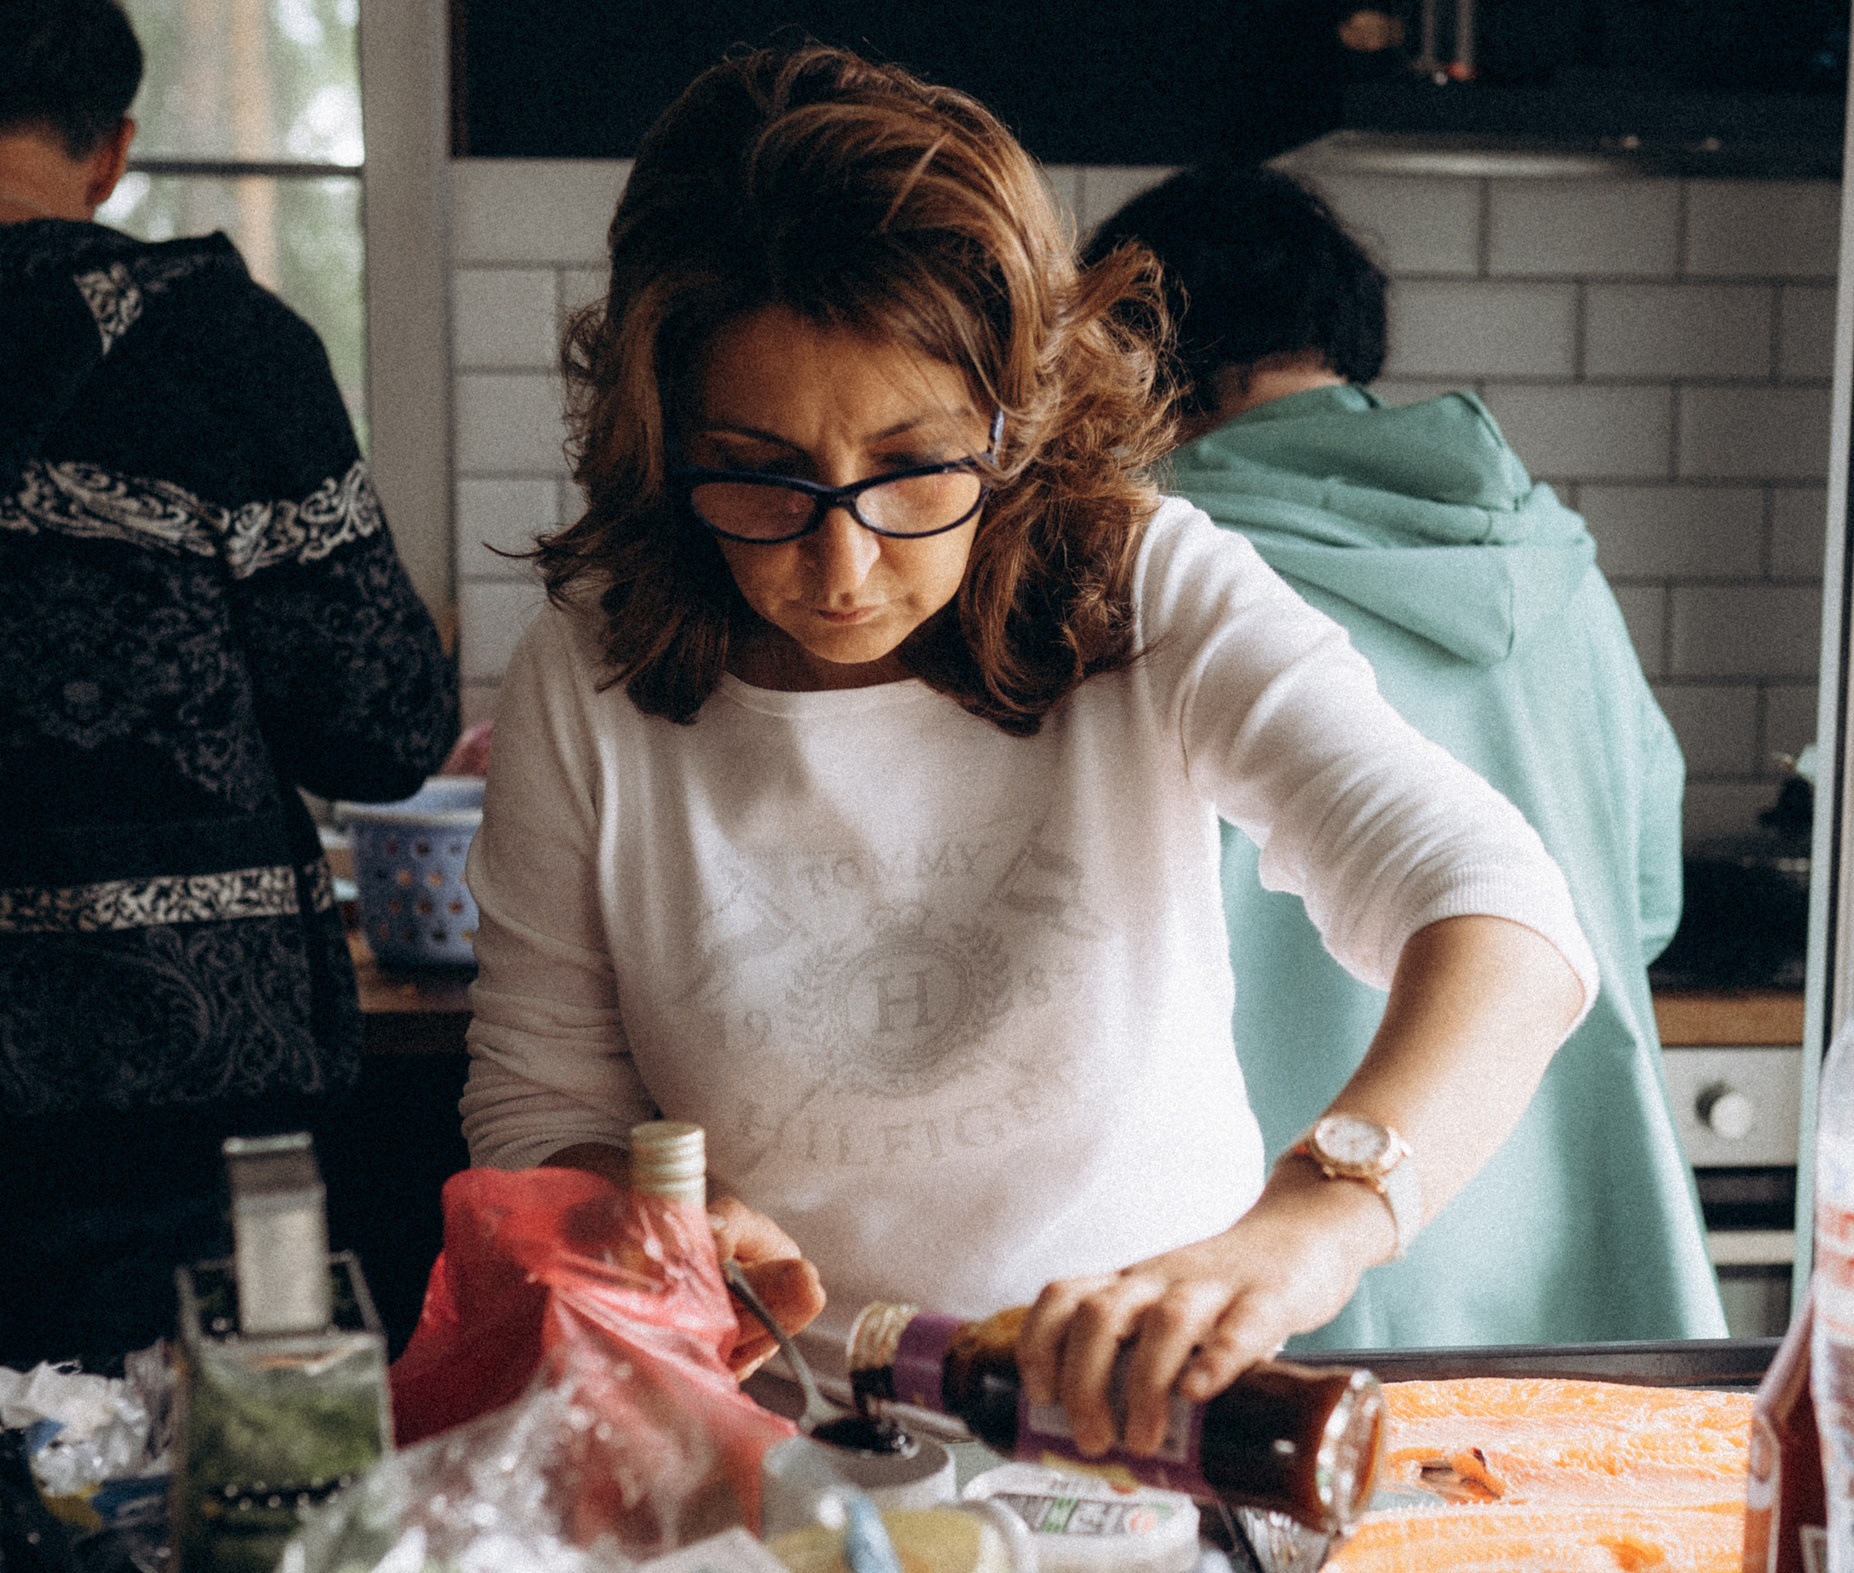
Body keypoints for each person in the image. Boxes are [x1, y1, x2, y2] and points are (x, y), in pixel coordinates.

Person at [459, 45, 1595, 1458]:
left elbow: (1500, 905)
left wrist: (1314, 1221)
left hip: (1144, 1447)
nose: (844, 560)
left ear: (1017, 416)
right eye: (758, 470)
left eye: (914, 463)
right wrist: (638, 1214)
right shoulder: (592, 664)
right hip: (775, 1457)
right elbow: (540, 1096)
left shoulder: (1145, 588)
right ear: (662, 437)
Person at [1087, 167, 1725, 1349]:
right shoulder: (1550, 563)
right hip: (1575, 1205)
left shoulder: (1161, 574)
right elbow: (1643, 905)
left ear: (1132, 353)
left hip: (1292, 1231)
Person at [0, 0, 459, 1369]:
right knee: (173, 1504)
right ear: (113, 149)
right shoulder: (223, 349)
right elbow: (382, 727)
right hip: (181, 1084)